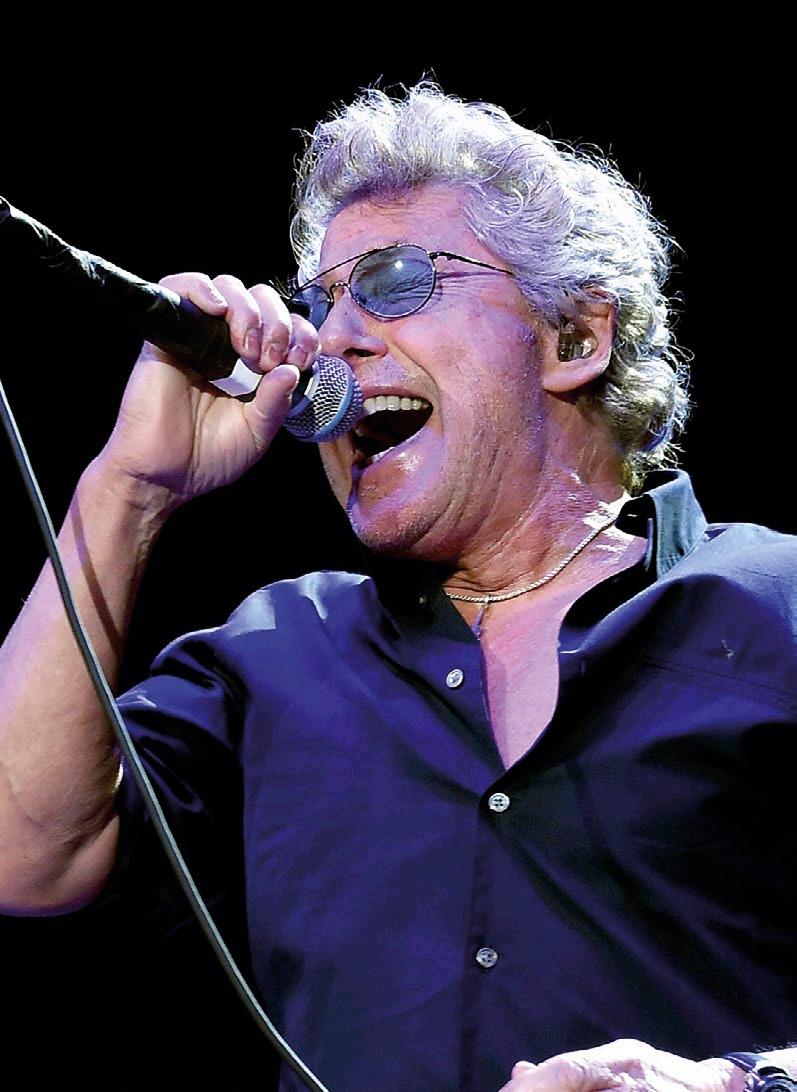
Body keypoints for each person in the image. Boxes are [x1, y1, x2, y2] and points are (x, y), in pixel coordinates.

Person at [0, 80, 794, 1092]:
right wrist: (130, 487)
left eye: (395, 282)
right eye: (317, 305)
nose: (330, 342)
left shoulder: (773, 602)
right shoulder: (280, 651)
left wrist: (739, 1084)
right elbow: (21, 855)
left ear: (573, 337)